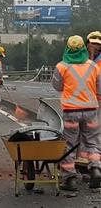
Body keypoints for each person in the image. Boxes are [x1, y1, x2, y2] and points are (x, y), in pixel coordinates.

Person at [52, 35, 101, 191]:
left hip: (71, 111)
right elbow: (99, 89)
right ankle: (95, 169)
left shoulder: (61, 66)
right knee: (92, 142)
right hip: (91, 111)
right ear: (83, 48)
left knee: (69, 145)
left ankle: (69, 179)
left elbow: (57, 87)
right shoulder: (93, 66)